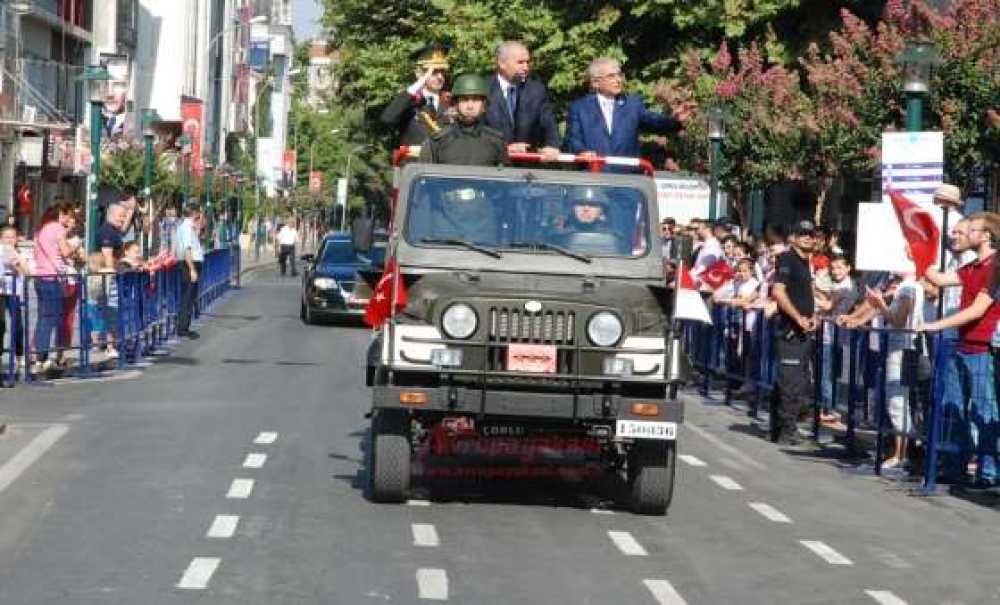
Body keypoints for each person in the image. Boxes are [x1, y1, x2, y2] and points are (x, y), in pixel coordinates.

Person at [923, 213, 1000, 487]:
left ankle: (988, 471)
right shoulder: (971, 267)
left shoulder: (995, 266)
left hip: (982, 347)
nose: (962, 235)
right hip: (961, 345)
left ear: (986, 235)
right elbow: (938, 279)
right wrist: (921, 248)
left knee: (983, 410)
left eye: (970, 230)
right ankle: (957, 466)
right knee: (954, 407)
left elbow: (977, 310)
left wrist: (936, 325)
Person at [564, 57, 686, 169]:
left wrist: (675, 120)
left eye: (619, 75)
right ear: (596, 83)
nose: (618, 80)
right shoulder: (579, 108)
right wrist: (582, 152)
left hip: (627, 182)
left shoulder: (632, 105)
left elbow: (655, 122)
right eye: (611, 76)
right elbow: (573, 139)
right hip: (594, 180)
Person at [769, 220, 818, 445]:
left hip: (803, 331)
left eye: (811, 234)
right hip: (790, 331)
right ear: (793, 237)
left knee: (797, 382)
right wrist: (798, 318)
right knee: (791, 383)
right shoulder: (788, 259)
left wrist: (813, 316)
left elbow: (806, 296)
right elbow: (778, 292)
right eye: (803, 234)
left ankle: (781, 428)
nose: (808, 237)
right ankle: (786, 431)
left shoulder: (806, 262)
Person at [483, 41, 560, 160]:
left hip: (527, 167)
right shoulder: (483, 89)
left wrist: (552, 146)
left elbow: (548, 123)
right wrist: (505, 148)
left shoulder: (536, 90)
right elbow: (478, 131)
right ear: (502, 63)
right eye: (520, 62)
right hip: (492, 164)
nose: (526, 67)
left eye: (527, 62)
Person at [32, 204, 83, 373]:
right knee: (52, 317)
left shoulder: (41, 230)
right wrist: (74, 246)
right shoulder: (58, 229)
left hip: (39, 276)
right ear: (60, 214)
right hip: (53, 277)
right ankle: (43, 358)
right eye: (67, 215)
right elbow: (66, 251)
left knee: (42, 317)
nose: (69, 219)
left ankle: (38, 357)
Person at [419, 73, 508, 167]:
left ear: (484, 106)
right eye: (465, 100)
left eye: (476, 100)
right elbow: (424, 177)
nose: (470, 106)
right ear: (455, 104)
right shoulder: (437, 141)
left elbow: (504, 178)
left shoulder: (496, 141)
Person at [380, 44, 452, 146]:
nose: (440, 77)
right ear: (418, 74)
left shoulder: (449, 101)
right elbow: (387, 118)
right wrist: (420, 82)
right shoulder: (408, 101)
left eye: (442, 72)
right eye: (434, 72)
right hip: (414, 161)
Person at [175, 203, 204, 339]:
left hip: (189, 263)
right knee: (188, 296)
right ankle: (183, 328)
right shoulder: (186, 227)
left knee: (189, 296)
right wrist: (192, 269)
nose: (199, 214)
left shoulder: (187, 226)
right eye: (198, 212)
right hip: (189, 264)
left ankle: (184, 326)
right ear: (193, 212)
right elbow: (187, 249)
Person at [0, 226, 27, 370]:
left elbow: (26, 272)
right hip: (1, 291)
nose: (9, 240)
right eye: (6, 237)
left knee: (17, 324)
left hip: (14, 291)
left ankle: (19, 355)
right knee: (1, 324)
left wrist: (16, 265)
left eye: (12, 237)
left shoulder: (19, 253)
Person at [98, 203, 127, 269]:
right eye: (120, 216)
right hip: (106, 272)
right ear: (111, 216)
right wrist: (110, 274)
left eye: (124, 216)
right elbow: (107, 256)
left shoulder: (114, 230)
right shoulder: (107, 231)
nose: (123, 219)